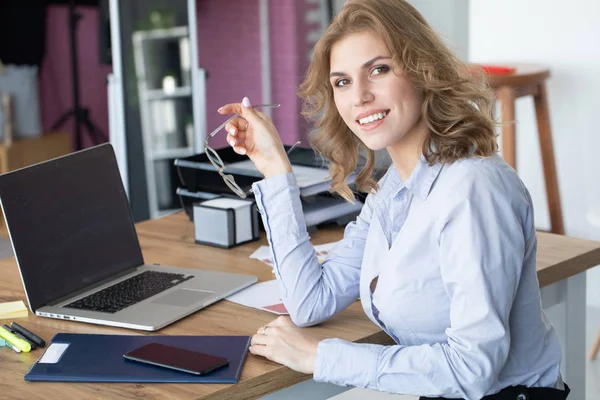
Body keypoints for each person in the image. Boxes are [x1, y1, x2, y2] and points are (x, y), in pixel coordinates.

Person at [217, 0, 570, 399]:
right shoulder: (393, 191)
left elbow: (473, 369)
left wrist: (322, 357)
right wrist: (277, 171)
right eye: (342, 82)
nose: (360, 97)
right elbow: (310, 301)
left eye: (378, 70)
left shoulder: (473, 189)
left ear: (423, 71)